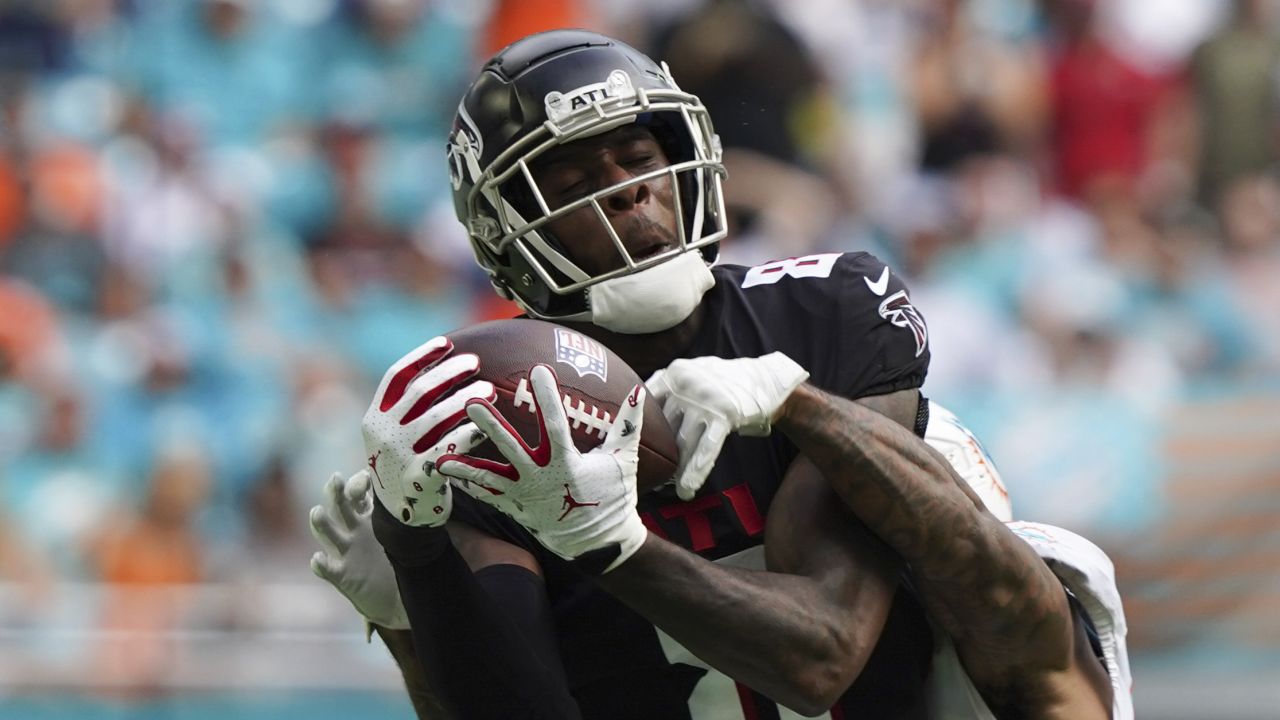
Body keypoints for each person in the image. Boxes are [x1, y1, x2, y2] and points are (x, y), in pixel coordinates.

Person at [311, 29, 1131, 718]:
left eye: (637, 160)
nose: (629, 197)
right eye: (572, 185)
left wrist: (798, 407)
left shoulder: (823, 311)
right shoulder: (495, 413)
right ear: (507, 236)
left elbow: (823, 658)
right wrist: (420, 594)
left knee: (1017, 546)